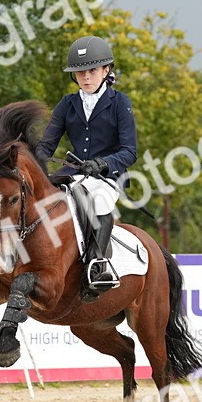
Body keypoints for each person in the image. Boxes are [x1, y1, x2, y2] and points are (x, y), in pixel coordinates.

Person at [35, 35, 137, 297]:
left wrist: (103, 162)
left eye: (92, 70)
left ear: (106, 70)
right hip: (73, 174)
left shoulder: (120, 103)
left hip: (107, 177)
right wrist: (33, 164)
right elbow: (47, 144)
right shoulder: (67, 104)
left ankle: (98, 264)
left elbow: (129, 151)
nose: (86, 77)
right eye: (80, 72)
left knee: (99, 200)